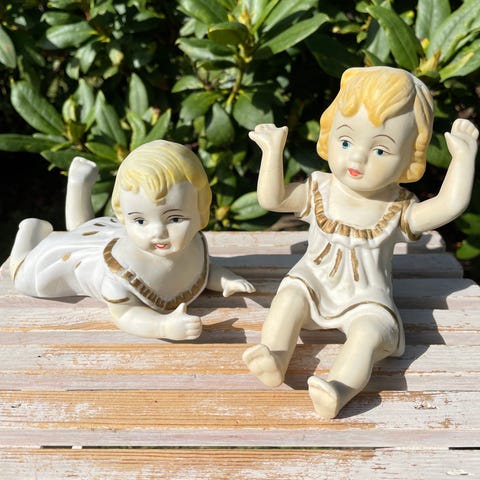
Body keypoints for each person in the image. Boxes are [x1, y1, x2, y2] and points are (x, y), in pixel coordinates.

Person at [243, 66, 478, 419]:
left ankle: (339, 388)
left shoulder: (396, 207)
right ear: (328, 135)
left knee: (367, 335)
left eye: (381, 150)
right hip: (313, 282)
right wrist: (272, 152)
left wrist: (463, 159)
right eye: (346, 141)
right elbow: (272, 199)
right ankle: (275, 355)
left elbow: (448, 206)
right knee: (289, 298)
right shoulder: (320, 188)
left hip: (367, 298)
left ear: (410, 159)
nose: (356, 158)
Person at [10, 140, 255, 339]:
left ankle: (79, 185)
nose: (157, 232)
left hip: (105, 233)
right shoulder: (119, 273)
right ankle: (30, 231)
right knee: (24, 277)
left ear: (201, 212)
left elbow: (203, 270)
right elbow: (126, 314)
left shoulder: (193, 246)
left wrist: (226, 279)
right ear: (123, 216)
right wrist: (163, 326)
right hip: (79, 260)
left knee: (84, 229)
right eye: (139, 220)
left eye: (174, 219)